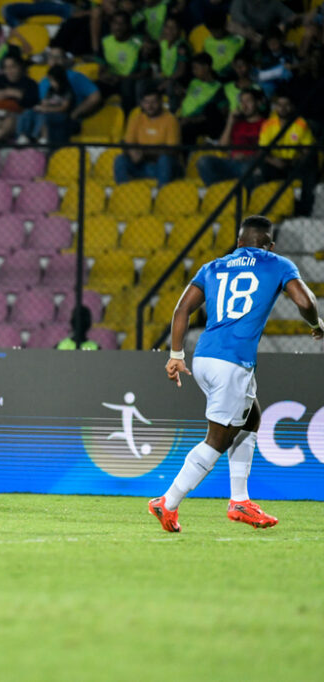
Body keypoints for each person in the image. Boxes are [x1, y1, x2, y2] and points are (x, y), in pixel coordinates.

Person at [150, 215, 323, 533]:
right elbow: (305, 300)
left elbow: (181, 310)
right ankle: (168, 502)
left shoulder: (214, 266)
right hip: (232, 363)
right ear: (269, 245)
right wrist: (316, 324)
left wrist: (176, 355)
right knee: (217, 440)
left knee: (251, 417)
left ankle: (240, 499)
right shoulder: (277, 263)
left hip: (203, 358)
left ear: (239, 242)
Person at [253, 89, 318, 217]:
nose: (282, 108)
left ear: (292, 107)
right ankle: (263, 208)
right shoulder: (268, 124)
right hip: (276, 163)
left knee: (310, 165)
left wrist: (296, 160)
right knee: (260, 169)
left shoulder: (301, 123)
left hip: (294, 163)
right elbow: (262, 151)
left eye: (286, 104)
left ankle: (304, 210)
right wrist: (275, 162)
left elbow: (307, 150)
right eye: (279, 104)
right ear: (275, 106)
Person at [196, 87, 264, 186]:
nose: (244, 106)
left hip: (251, 164)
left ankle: (240, 196)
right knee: (203, 162)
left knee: (248, 168)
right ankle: (220, 191)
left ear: (258, 103)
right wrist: (230, 121)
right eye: (242, 102)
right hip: (232, 163)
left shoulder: (266, 124)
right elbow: (223, 147)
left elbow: (265, 152)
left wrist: (247, 157)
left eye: (248, 101)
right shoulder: (237, 124)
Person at [114, 87, 180, 186]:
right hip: (142, 165)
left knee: (165, 159)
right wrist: (132, 152)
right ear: (141, 103)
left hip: (163, 167)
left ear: (161, 102)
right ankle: (123, 191)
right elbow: (128, 143)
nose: (150, 106)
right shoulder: (136, 119)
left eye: (154, 102)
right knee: (120, 159)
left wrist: (143, 152)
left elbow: (171, 150)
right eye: (146, 102)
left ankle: (162, 195)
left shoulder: (171, 120)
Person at [96, 10, 148, 115]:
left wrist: (123, 78)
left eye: (122, 23)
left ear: (128, 26)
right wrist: (104, 76)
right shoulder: (105, 41)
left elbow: (145, 72)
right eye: (115, 23)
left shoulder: (139, 43)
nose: (117, 27)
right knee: (93, 88)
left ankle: (129, 121)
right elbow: (101, 69)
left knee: (127, 86)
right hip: (112, 80)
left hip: (130, 81)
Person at [15, 65, 76, 146]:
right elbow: (44, 102)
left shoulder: (67, 91)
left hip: (61, 115)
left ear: (59, 79)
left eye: (52, 80)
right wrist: (41, 107)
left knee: (43, 116)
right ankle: (22, 136)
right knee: (28, 112)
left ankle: (41, 138)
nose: (51, 83)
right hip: (48, 111)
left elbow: (63, 108)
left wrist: (47, 109)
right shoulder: (50, 90)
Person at [177, 52, 228, 146]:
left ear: (206, 67)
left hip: (198, 122)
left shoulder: (218, 88)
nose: (193, 71)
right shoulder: (194, 82)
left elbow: (220, 113)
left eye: (196, 68)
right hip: (182, 117)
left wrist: (191, 120)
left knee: (187, 130)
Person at [202, 11, 244, 80]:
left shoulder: (238, 40)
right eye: (211, 31)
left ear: (224, 26)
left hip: (232, 76)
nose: (214, 34)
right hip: (213, 79)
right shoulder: (207, 42)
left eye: (217, 30)